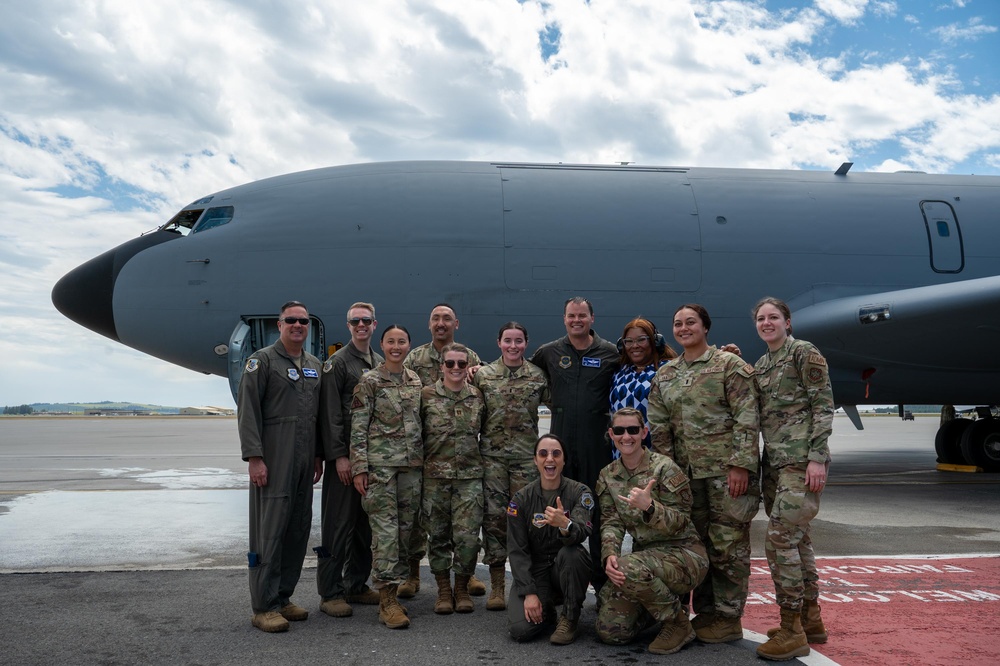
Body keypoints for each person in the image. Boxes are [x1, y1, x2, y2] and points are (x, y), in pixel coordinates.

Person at [646, 303, 760, 644]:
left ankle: (728, 617)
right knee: (696, 544)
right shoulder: (666, 374)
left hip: (727, 474)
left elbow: (746, 416)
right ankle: (706, 611)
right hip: (686, 477)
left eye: (690, 322)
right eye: (678, 323)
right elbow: (659, 425)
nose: (683, 328)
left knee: (728, 545)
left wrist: (741, 464)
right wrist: (669, 473)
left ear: (705, 327)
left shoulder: (729, 365)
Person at [751, 297, 834, 661]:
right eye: (761, 318)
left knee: (778, 542)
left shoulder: (803, 352)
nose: (767, 323)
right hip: (776, 465)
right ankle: (810, 620)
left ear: (787, 321)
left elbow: (823, 405)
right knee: (798, 540)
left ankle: (791, 629)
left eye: (773, 317)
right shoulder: (763, 364)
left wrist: (817, 458)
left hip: (801, 464)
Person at [238, 300, 324, 633]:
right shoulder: (261, 362)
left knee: (297, 529)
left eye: (303, 321)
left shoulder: (315, 364)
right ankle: (263, 605)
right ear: (279, 324)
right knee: (269, 531)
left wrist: (317, 455)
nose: (298, 325)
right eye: (291, 320)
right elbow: (248, 413)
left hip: (304, 461)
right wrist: (254, 458)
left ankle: (283, 596)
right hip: (274, 458)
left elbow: (316, 418)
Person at [595, 408, 708, 654]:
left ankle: (677, 623)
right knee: (610, 631)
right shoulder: (608, 475)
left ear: (644, 432)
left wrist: (650, 508)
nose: (627, 437)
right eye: (620, 431)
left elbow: (682, 521)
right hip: (645, 563)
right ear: (611, 434)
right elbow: (611, 522)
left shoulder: (665, 468)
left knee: (629, 567)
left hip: (685, 556)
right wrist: (610, 555)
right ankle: (665, 607)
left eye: (633, 430)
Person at [530, 296, 619, 595]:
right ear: (564, 318)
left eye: (582, 315)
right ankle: (556, 583)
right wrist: (477, 369)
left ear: (592, 318)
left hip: (597, 446)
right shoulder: (550, 352)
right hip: (561, 446)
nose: (576, 320)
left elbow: (645, 364)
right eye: (571, 316)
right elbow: (522, 374)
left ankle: (602, 583)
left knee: (596, 511)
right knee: (558, 511)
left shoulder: (609, 353)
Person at [402, 303, 485, 597]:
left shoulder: (470, 356)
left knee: (465, 526)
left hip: (463, 459)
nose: (441, 323)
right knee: (424, 524)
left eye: (447, 318)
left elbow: (479, 398)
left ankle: (468, 576)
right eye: (436, 318)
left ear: (456, 324)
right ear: (429, 324)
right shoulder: (415, 358)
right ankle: (412, 575)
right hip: (431, 457)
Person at [472, 321, 550, 611]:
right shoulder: (483, 376)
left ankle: (527, 584)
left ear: (526, 343)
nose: (513, 346)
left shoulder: (538, 376)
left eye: (518, 341)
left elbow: (554, 409)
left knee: (526, 521)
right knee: (493, 520)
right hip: (491, 460)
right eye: (508, 341)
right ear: (499, 343)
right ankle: (496, 585)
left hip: (525, 460)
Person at [350, 324, 423, 629]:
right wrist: (359, 467)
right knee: (385, 535)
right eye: (390, 342)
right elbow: (357, 426)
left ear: (408, 346)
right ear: (382, 345)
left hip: (411, 469)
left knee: (407, 533)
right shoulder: (369, 381)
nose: (396, 346)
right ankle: (387, 601)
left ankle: (397, 585)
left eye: (402, 341)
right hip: (380, 470)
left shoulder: (415, 380)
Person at [315, 302, 383, 618]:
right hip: (345, 462)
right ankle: (330, 592)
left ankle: (356, 584)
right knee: (337, 526)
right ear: (348, 325)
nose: (361, 325)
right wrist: (339, 457)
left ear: (374, 323)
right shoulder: (338, 363)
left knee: (364, 528)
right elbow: (329, 416)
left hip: (370, 461)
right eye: (355, 320)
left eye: (366, 320)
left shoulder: (379, 362)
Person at [507, 434, 594, 645]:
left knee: (573, 554)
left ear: (563, 460)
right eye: (543, 453)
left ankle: (570, 618)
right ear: (535, 460)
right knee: (520, 631)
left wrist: (565, 524)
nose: (550, 459)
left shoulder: (580, 492)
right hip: (536, 571)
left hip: (563, 567)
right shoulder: (521, 499)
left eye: (556, 454)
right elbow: (517, 550)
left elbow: (582, 530)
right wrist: (529, 593)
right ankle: (547, 611)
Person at [420, 343, 487, 614]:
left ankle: (461, 587)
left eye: (461, 363)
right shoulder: (425, 396)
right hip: (435, 477)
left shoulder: (478, 397)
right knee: (437, 536)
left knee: (468, 538)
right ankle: (443, 590)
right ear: (441, 367)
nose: (456, 368)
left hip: (469, 477)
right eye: (450, 363)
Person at [609, 318, 677, 457]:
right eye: (628, 341)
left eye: (641, 339)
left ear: (655, 342)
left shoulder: (668, 370)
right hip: (621, 453)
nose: (635, 345)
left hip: (657, 453)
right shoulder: (619, 372)